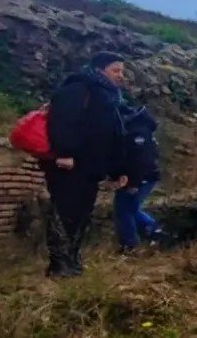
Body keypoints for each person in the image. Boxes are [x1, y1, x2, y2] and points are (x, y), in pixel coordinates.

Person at [41, 52, 127, 278]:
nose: (121, 76)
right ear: (100, 70)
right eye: (116, 70)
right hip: (69, 165)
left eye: (122, 71)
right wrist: (65, 152)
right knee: (64, 212)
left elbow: (112, 136)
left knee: (82, 214)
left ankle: (73, 261)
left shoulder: (110, 98)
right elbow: (62, 121)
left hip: (91, 168)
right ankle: (58, 265)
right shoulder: (79, 88)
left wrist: (117, 170)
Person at [112, 105, 170, 254]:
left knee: (124, 209)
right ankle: (154, 230)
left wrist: (133, 183)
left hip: (141, 178)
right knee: (131, 208)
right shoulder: (133, 129)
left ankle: (130, 245)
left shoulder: (137, 132)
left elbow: (142, 160)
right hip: (138, 176)